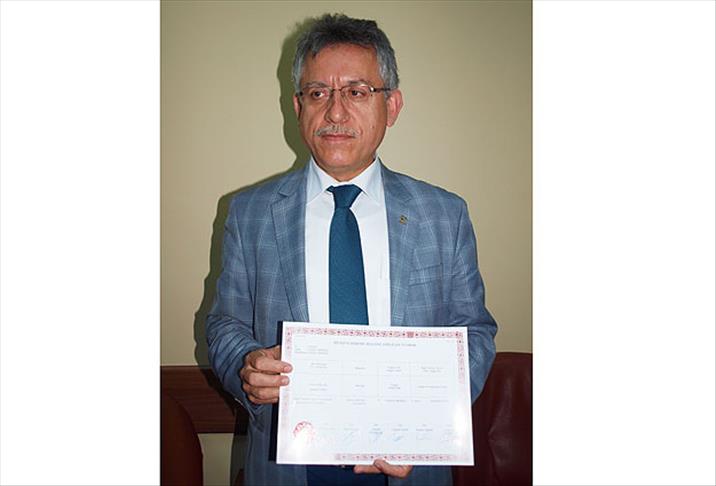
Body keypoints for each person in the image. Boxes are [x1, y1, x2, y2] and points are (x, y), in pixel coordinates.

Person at [207, 13, 497, 486]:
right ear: (298, 106)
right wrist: (246, 364)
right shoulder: (250, 213)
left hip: (409, 468)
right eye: (318, 93)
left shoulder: (445, 214)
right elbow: (225, 323)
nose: (335, 113)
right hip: (288, 467)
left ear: (392, 105)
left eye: (357, 92)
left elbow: (475, 334)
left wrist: (428, 422)